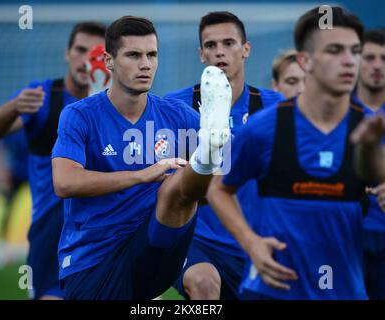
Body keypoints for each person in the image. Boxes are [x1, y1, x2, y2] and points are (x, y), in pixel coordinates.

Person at [51, 15, 233, 300]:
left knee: (175, 188)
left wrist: (202, 179)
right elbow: (64, 182)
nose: (146, 64)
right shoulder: (79, 115)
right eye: (134, 55)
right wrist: (143, 174)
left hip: (156, 242)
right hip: (95, 258)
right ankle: (204, 158)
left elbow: (222, 186)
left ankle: (207, 153)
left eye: (152, 54)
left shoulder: (177, 115)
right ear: (109, 61)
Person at [208, 6, 368, 299]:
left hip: (343, 289)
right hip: (271, 290)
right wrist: (251, 242)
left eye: (355, 51)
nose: (349, 61)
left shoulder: (371, 128)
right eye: (334, 50)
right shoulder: (263, 128)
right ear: (306, 60)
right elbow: (219, 189)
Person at [0, 21, 106, 299]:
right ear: (67, 53)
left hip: (105, 232)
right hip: (52, 236)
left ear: (107, 60)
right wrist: (13, 107)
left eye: (94, 54)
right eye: (80, 50)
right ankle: (1, 245)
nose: (86, 61)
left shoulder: (121, 104)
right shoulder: (44, 97)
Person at [165, 11, 284, 300]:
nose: (219, 51)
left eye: (229, 43)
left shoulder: (276, 108)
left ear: (246, 50)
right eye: (210, 45)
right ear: (201, 54)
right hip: (197, 239)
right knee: (204, 285)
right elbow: (163, 176)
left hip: (254, 238)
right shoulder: (174, 106)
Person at [351, 29, 385, 299]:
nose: (377, 65)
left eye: (384, 59)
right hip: (346, 237)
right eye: (370, 57)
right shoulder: (334, 110)